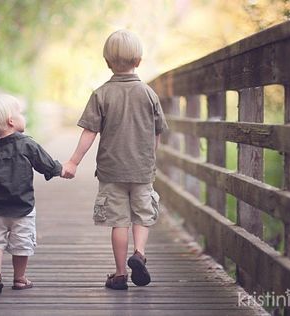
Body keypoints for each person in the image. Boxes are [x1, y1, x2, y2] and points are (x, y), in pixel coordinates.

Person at [62, 29, 168, 290]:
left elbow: (89, 132)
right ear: (139, 61)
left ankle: (120, 274)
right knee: (142, 215)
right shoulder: (148, 93)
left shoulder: (101, 94)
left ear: (108, 62)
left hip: (111, 172)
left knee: (119, 222)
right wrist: (150, 158)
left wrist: (74, 161)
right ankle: (139, 253)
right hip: (142, 170)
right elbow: (157, 132)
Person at [0, 94, 63, 294]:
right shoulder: (26, 144)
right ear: (11, 121)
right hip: (23, 207)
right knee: (21, 243)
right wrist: (60, 170)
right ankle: (20, 278)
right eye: (20, 113)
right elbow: (44, 162)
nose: (23, 116)